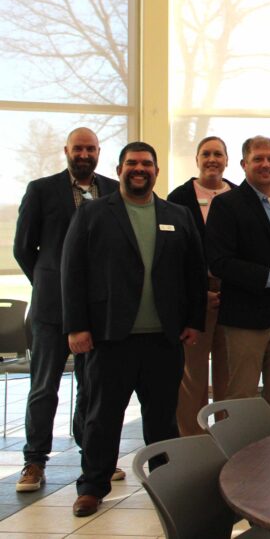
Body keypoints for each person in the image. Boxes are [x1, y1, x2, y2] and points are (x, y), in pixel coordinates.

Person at [62, 141, 205, 517]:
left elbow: (194, 272)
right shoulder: (93, 213)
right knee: (102, 418)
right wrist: (76, 327)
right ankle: (92, 486)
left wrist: (194, 321)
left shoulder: (177, 215)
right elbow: (72, 272)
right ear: (119, 169)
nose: (139, 169)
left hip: (164, 339)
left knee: (162, 420)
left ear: (156, 171)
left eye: (146, 163)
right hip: (110, 337)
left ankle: (166, 484)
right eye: (132, 163)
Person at [13, 127, 119, 494]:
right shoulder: (41, 190)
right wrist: (49, 282)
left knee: (93, 388)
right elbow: (23, 248)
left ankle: (94, 457)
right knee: (44, 387)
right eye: (78, 148)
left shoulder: (113, 190)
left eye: (90, 148)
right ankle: (34, 461)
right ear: (67, 151)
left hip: (97, 311)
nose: (84, 154)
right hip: (51, 310)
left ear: (99, 152)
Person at [205, 136, 270, 427]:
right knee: (241, 396)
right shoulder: (226, 205)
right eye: (258, 159)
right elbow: (220, 263)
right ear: (243, 164)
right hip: (245, 315)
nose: (266, 164)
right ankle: (238, 454)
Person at [166, 135, 236, 436]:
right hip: (195, 297)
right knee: (192, 377)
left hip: (234, 295)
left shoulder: (239, 195)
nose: (212, 160)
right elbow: (171, 254)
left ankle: (228, 441)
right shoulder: (179, 198)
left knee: (229, 376)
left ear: (227, 160)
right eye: (206, 154)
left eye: (218, 154)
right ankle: (193, 443)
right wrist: (196, 293)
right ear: (197, 159)